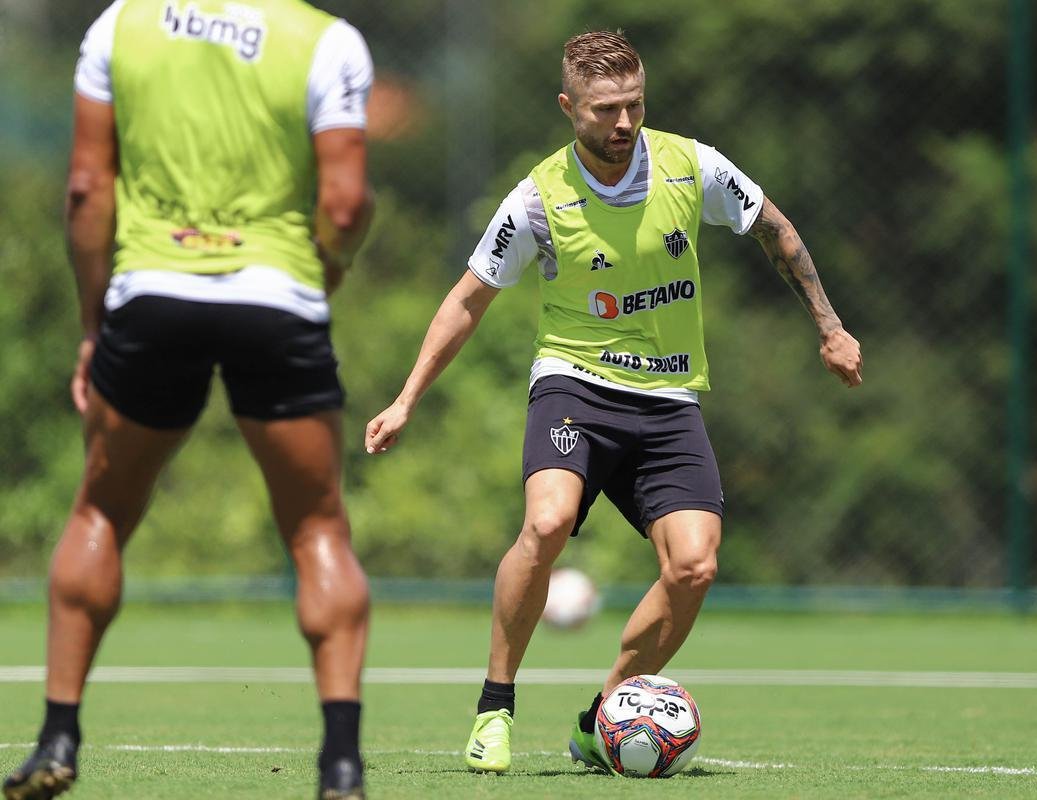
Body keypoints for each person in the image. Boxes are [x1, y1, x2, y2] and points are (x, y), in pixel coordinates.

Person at [364, 30, 862, 775]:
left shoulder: (691, 165)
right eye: (603, 109)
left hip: (667, 398)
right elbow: (468, 299)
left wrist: (829, 326)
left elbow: (774, 228)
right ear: (569, 107)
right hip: (576, 386)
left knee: (694, 567)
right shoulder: (537, 198)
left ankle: (604, 718)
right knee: (548, 519)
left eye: (632, 104)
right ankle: (494, 706)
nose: (622, 122)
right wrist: (406, 399)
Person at [3, 1, 374, 798]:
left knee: (101, 509)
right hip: (278, 300)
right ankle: (339, 762)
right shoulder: (326, 39)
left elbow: (84, 190)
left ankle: (56, 739)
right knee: (316, 526)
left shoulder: (119, 26)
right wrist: (326, 272)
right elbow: (345, 205)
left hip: (150, 293)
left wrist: (92, 323)